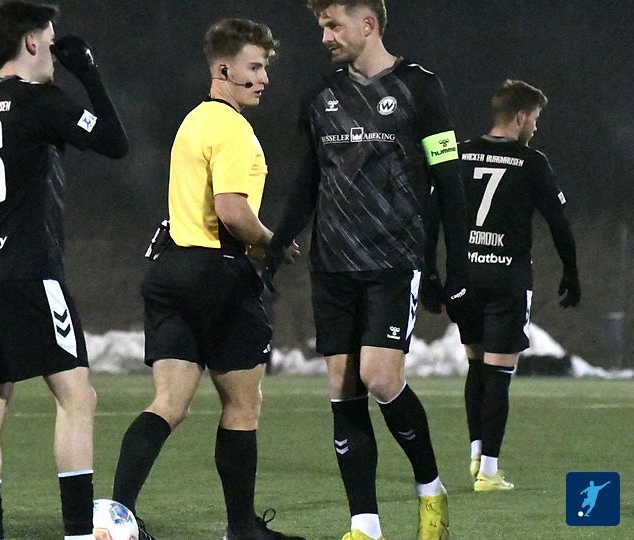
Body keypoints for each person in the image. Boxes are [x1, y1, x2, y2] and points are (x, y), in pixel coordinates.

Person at [264, 1, 471, 539]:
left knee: (380, 377)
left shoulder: (420, 86)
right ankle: (365, 525)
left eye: (333, 25)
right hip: (332, 264)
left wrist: (454, 263)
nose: (325, 36)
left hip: (393, 260)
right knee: (341, 386)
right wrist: (275, 249)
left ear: (368, 24)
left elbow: (448, 179)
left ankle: (431, 490)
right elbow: (306, 184)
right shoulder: (320, 96)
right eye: (321, 26)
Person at [110, 18, 303, 540]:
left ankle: (116, 515)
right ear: (223, 70)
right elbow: (232, 211)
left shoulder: (192, 121)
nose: (264, 78)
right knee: (242, 404)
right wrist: (275, 243)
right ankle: (241, 528)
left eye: (265, 67)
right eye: (254, 67)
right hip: (218, 275)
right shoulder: (233, 128)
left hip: (171, 268)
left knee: (168, 404)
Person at [0, 2, 128, 539]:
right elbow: (114, 142)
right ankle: (78, 532)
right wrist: (88, 73)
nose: (53, 49)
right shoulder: (40, 101)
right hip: (29, 270)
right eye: (49, 39)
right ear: (30, 43)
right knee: (77, 396)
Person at [451, 80, 579, 492]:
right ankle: (489, 472)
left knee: (476, 367)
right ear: (521, 117)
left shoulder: (462, 152)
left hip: (467, 277)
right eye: (536, 119)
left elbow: (436, 211)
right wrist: (570, 271)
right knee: (499, 374)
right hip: (506, 278)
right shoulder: (531, 161)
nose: (536, 127)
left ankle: (476, 454)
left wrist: (436, 273)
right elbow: (558, 222)